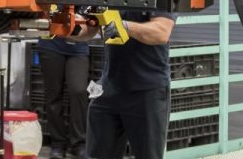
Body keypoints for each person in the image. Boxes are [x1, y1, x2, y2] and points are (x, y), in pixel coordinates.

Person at [72, 9, 176, 159]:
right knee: (98, 154)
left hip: (147, 90)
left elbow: (161, 33)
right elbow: (90, 27)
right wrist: (67, 26)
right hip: (109, 87)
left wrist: (124, 26)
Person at [34, 35, 90, 158]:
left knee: (79, 91)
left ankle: (79, 143)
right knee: (53, 95)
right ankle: (58, 143)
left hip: (78, 47)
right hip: (50, 45)